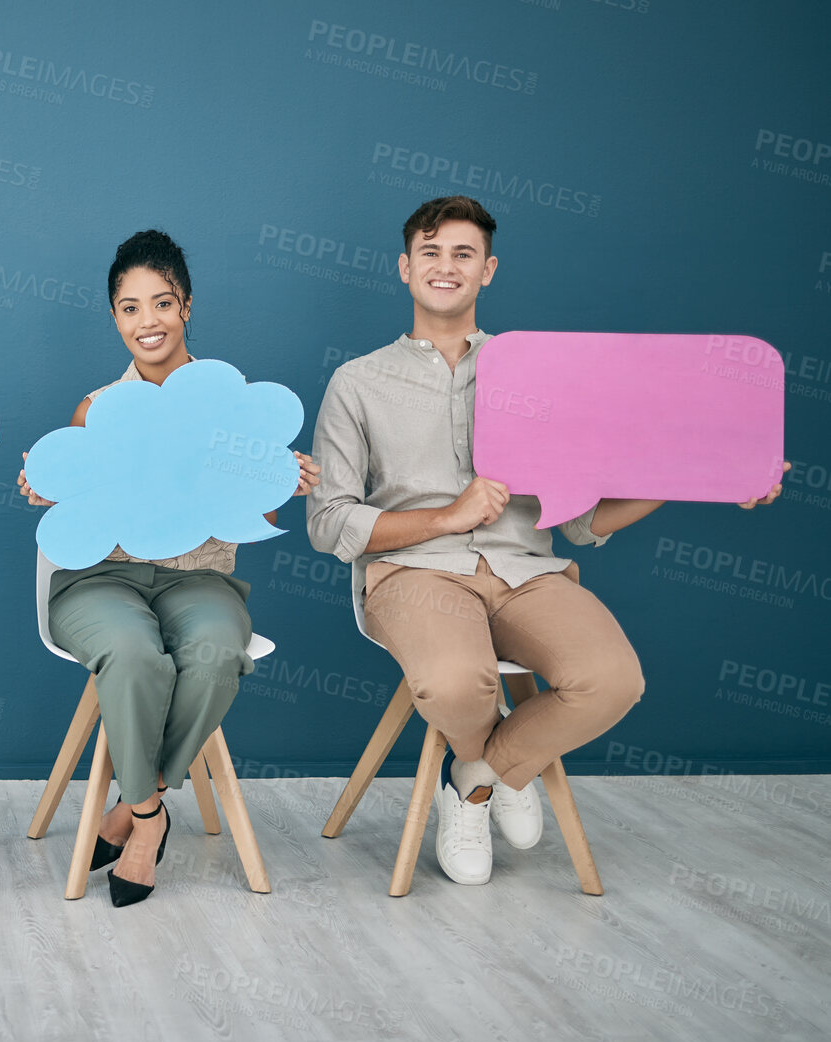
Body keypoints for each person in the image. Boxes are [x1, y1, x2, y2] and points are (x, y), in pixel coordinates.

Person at [306, 196, 786, 885]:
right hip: (412, 573)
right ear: (405, 266)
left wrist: (716, 477)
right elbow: (330, 522)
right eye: (432, 253)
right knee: (452, 682)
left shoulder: (539, 373)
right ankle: (502, 767)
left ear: (489, 271)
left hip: (527, 569)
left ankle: (475, 776)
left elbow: (584, 521)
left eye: (464, 254)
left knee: (614, 680)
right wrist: (447, 517)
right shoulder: (356, 382)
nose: (447, 267)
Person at [17, 231, 319, 907]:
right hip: (101, 582)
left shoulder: (230, 409)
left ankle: (127, 807)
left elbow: (254, 523)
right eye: (129, 308)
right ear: (115, 318)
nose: (146, 321)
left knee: (215, 652)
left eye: (161, 303)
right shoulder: (97, 408)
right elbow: (72, 507)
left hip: (200, 580)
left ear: (187, 306)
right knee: (135, 655)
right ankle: (152, 820)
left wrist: (279, 484)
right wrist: (47, 486)